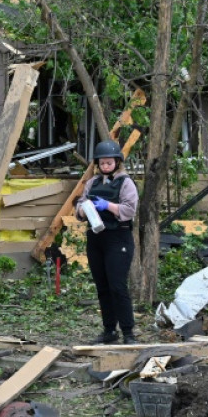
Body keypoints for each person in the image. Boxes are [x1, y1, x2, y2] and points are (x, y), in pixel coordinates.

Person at [76, 139, 138, 344]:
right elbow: (79, 205)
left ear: (117, 162)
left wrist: (108, 206)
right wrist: (84, 209)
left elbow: (129, 210)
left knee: (117, 286)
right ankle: (109, 330)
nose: (105, 166)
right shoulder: (92, 182)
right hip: (96, 237)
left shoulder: (126, 183)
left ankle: (128, 332)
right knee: (102, 286)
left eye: (109, 163)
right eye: (102, 163)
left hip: (118, 237)